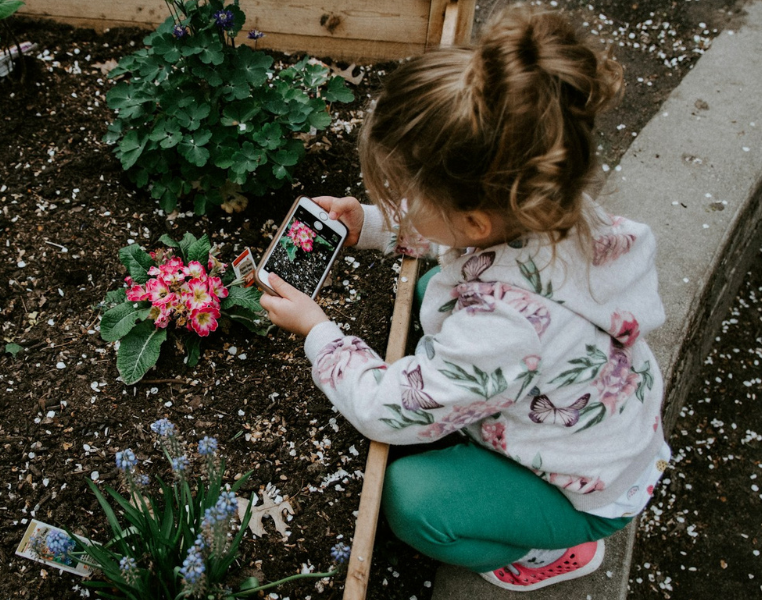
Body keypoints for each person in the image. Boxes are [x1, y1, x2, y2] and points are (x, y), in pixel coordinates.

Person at [259, 5, 670, 592]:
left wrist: (319, 331)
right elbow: (464, 240)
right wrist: (373, 225)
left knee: (411, 500)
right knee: (433, 288)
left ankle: (547, 550)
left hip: (581, 489)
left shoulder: (503, 328)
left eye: (405, 192)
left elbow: (386, 410)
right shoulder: (554, 205)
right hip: (594, 423)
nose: (397, 197)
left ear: (475, 219)